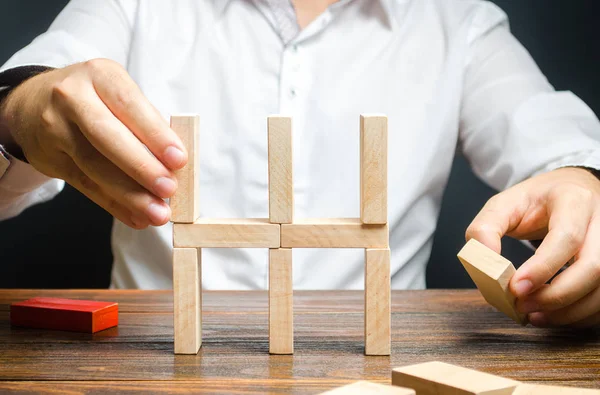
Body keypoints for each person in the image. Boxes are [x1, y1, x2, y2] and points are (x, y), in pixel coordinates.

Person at [1, 0, 599, 327]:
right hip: (154, 356)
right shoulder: (131, 6)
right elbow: (34, 90)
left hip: (380, 364)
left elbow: (565, 148)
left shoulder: (459, 20)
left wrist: (587, 182)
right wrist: (15, 115)